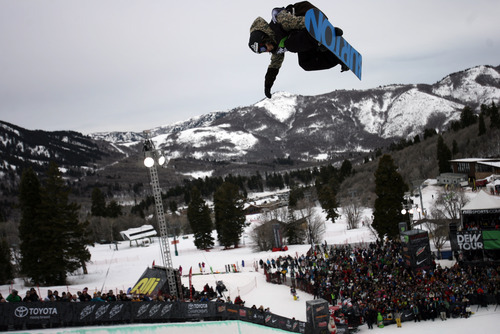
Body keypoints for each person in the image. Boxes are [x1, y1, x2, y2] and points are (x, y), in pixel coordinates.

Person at [249, 1, 347, 98]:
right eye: (261, 52)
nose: (265, 51)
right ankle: (337, 58)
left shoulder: (279, 21)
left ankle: (319, 38)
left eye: (262, 48)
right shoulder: (276, 47)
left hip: (308, 14)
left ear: (264, 38)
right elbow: (274, 65)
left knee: (291, 45)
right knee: (305, 63)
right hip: (308, 33)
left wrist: (326, 30)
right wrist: (267, 86)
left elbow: (298, 23)